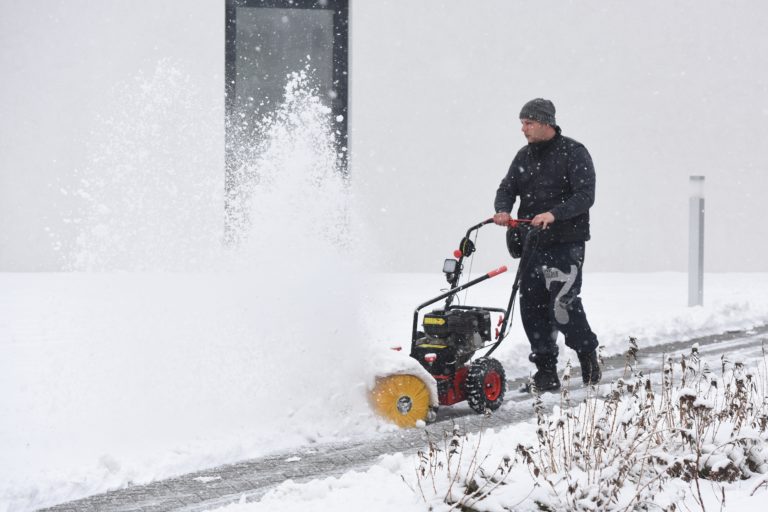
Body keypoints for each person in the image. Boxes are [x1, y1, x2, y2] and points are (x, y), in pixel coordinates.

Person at [493, 98, 600, 392]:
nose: (523, 129)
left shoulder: (574, 153)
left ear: (545, 123)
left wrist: (554, 214)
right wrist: (503, 210)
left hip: (566, 243)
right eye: (522, 123)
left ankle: (587, 355)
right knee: (532, 308)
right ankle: (545, 371)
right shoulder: (523, 157)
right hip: (532, 244)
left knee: (561, 304)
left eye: (528, 123)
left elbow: (585, 196)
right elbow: (507, 188)